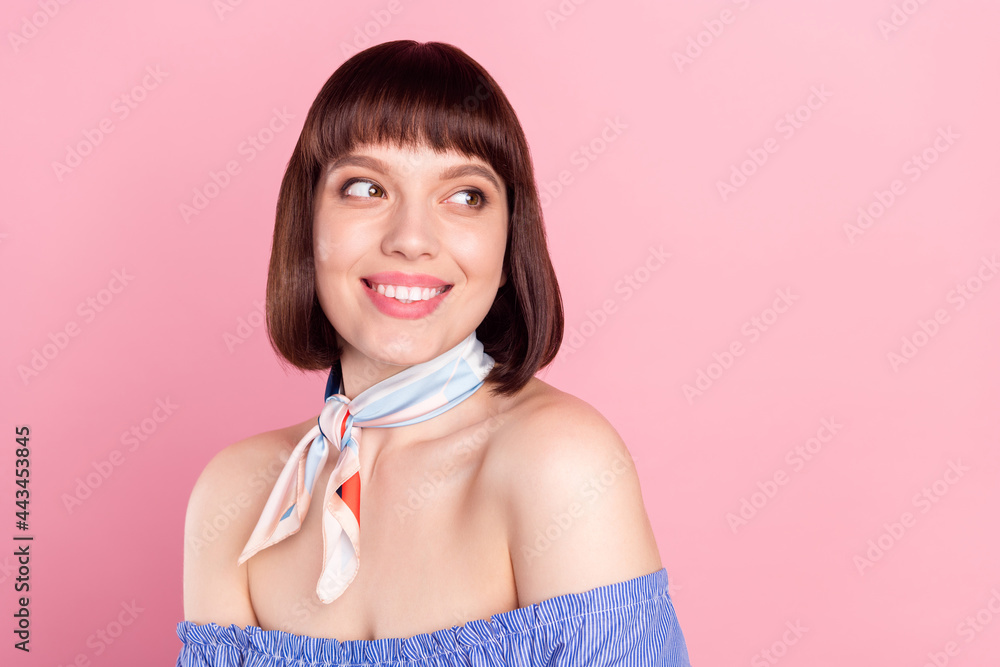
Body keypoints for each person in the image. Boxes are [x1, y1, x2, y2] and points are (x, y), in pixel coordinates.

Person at [176, 40, 691, 666]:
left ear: (507, 248)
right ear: (307, 225)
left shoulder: (559, 463)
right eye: (366, 188)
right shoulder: (237, 497)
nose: (411, 240)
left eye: (466, 196)